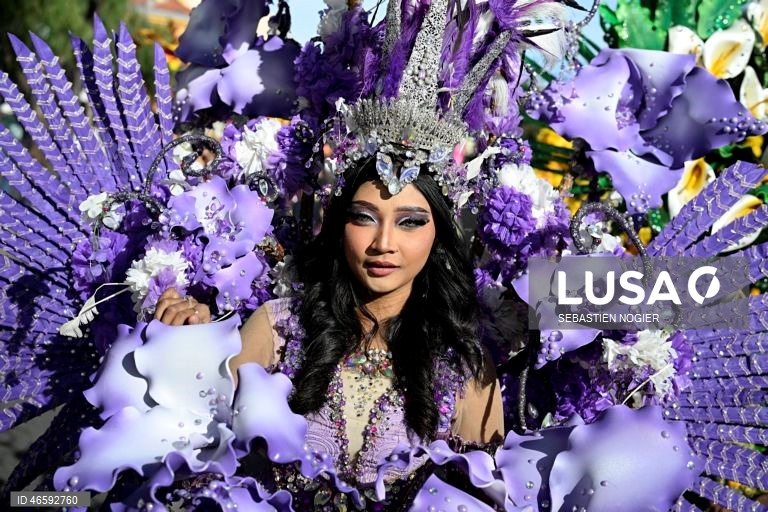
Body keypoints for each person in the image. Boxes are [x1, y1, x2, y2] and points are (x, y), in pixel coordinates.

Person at [153, 160, 504, 494]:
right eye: (364, 218)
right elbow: (198, 446)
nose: (383, 244)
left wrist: (558, 285)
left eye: (409, 222)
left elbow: (486, 498)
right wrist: (188, 348)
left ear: (438, 234)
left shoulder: (464, 366)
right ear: (339, 226)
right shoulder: (280, 328)